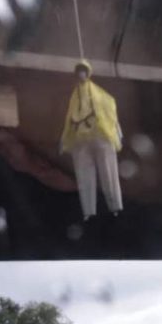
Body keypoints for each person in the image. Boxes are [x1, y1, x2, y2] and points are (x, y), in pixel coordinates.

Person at [60, 60, 123, 220]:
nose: (81, 74)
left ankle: (115, 205)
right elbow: (69, 119)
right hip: (81, 139)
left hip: (101, 135)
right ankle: (88, 210)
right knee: (84, 176)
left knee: (108, 172)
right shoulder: (74, 97)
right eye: (78, 71)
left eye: (83, 71)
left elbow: (111, 113)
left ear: (88, 73)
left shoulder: (100, 94)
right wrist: (65, 139)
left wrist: (116, 131)